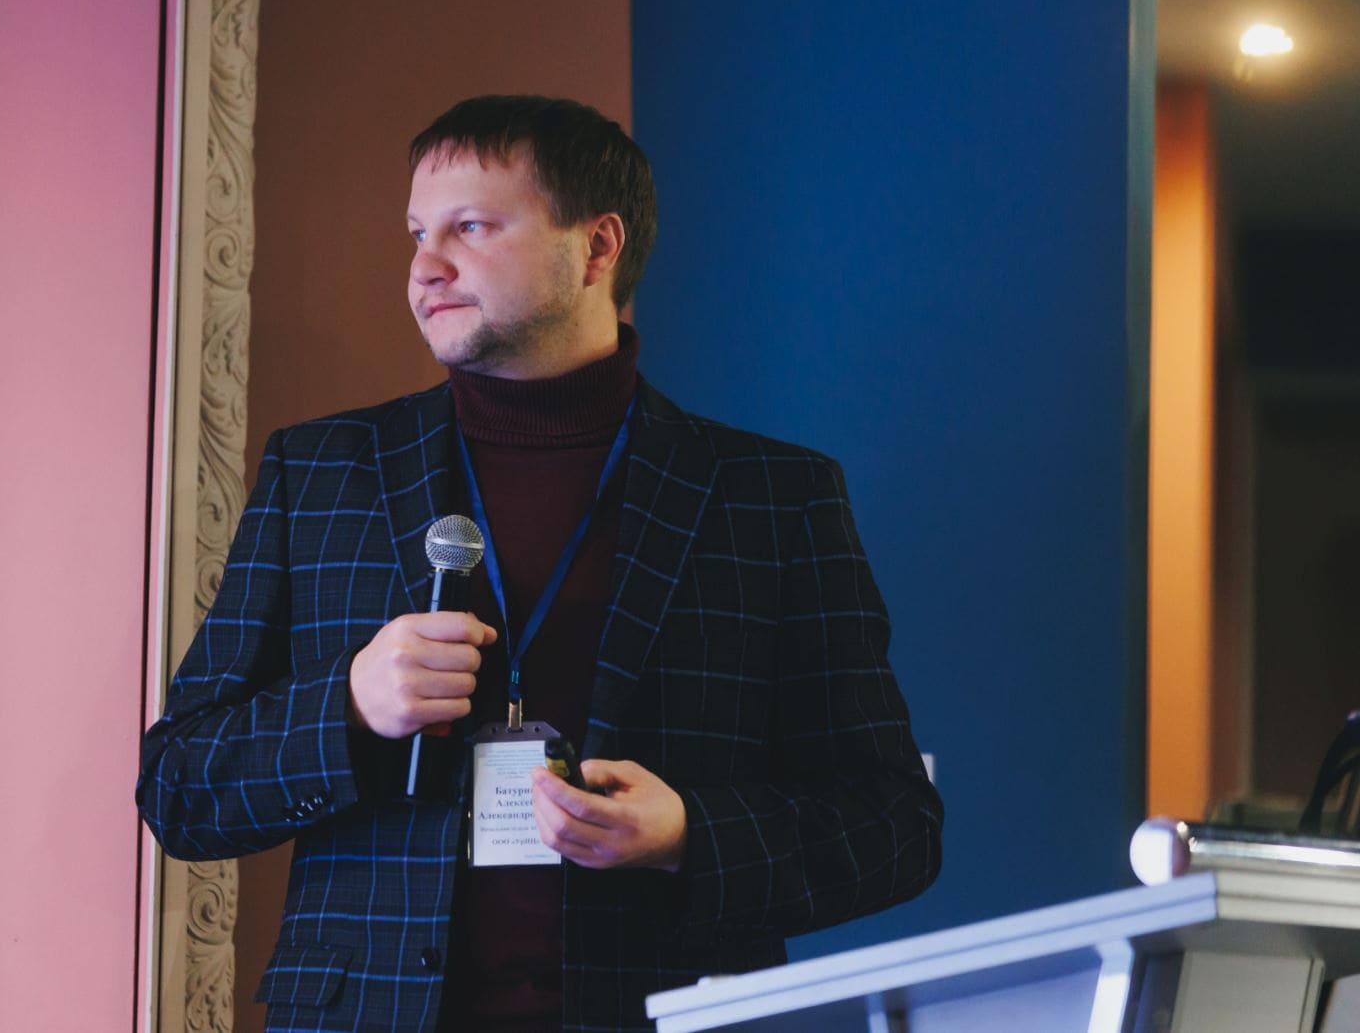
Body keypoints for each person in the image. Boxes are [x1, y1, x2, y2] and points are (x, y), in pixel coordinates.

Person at [137, 94, 943, 1033]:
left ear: (597, 248)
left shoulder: (772, 496)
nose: (425, 266)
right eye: (417, 233)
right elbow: (179, 788)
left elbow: (895, 826)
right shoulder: (318, 471)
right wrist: (348, 704)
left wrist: (689, 834)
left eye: (471, 227)